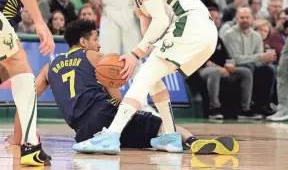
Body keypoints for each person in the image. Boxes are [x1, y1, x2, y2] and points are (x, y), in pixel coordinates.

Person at [72, 0, 238, 155]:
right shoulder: (140, 2)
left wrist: (134, 54)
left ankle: (111, 135)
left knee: (143, 76)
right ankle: (170, 136)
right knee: (152, 79)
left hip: (191, 24)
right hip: (203, 34)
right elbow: (152, 40)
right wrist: (140, 46)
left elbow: (160, 22)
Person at [6, 19, 239, 157]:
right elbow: (116, 97)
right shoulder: (96, 56)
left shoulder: (49, 68)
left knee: (143, 141)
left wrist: (18, 139)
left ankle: (121, 143)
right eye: (96, 38)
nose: (99, 42)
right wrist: (129, 111)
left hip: (84, 132)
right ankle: (192, 141)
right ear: (85, 41)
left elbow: (26, 102)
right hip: (107, 115)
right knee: (164, 126)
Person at [0, 0, 110, 166]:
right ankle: (30, 145)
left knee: (5, 71)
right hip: (3, 7)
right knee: (20, 67)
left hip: (8, 13)